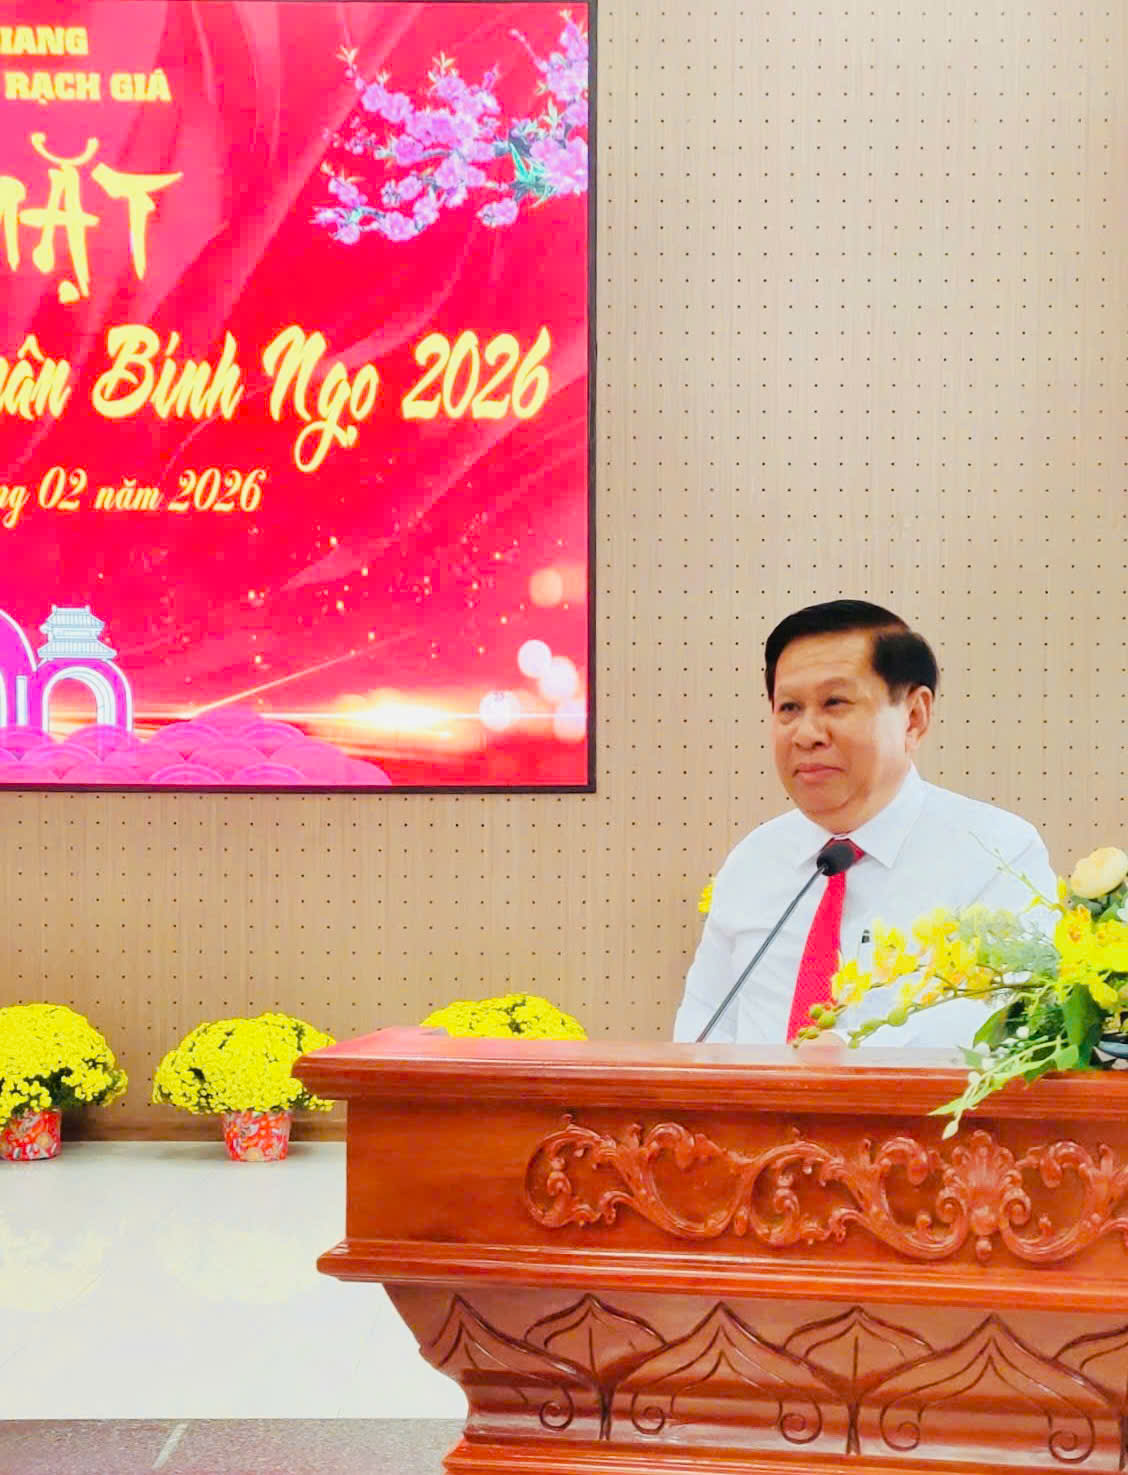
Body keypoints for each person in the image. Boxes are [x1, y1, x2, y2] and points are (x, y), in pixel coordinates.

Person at [673, 600, 1058, 1050]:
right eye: (789, 708)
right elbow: (702, 1028)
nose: (806, 734)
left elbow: (1010, 1019)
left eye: (835, 703)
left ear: (914, 716)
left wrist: (847, 1053)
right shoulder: (754, 860)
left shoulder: (996, 853)